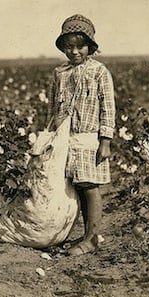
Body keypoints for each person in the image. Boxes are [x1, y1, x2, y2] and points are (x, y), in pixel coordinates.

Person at [46, 14, 116, 256]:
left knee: (89, 186)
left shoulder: (99, 71)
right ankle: (87, 234)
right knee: (76, 185)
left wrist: (105, 141)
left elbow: (108, 106)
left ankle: (92, 237)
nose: (75, 52)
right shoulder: (59, 73)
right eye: (69, 47)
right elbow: (52, 108)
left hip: (89, 138)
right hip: (66, 139)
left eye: (80, 46)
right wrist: (50, 135)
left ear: (90, 47)